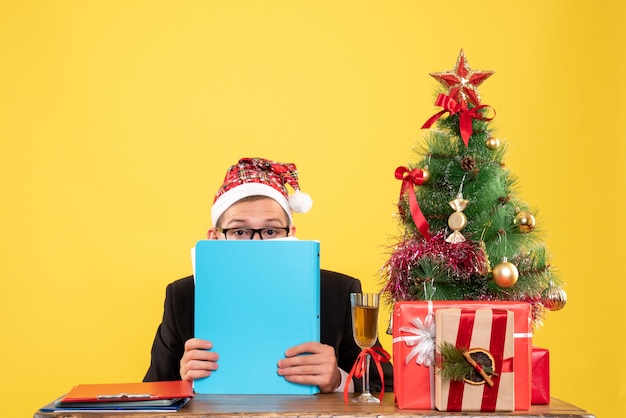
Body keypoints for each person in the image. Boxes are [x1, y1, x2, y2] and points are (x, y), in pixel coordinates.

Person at [143, 157, 393, 394]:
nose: (257, 244)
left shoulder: (339, 291)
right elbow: (151, 391)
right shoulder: (182, 296)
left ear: (291, 234)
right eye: (240, 232)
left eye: (271, 230)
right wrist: (183, 381)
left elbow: (387, 386)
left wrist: (339, 380)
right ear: (214, 238)